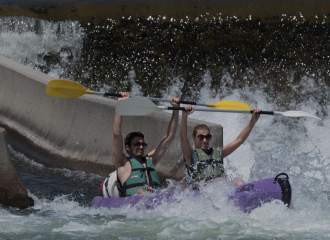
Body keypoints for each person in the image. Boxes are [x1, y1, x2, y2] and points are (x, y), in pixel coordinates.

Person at [104, 92, 180, 197]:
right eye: (136, 144)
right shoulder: (122, 163)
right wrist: (120, 104)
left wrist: (176, 109)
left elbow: (169, 136)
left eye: (143, 144)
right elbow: (117, 134)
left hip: (157, 202)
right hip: (134, 204)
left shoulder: (151, 160)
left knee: (179, 186)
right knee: (141, 190)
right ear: (127, 147)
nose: (141, 147)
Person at [180, 104, 261, 188]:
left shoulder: (218, 153)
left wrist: (253, 121)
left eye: (207, 137)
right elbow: (183, 138)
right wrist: (184, 116)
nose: (205, 140)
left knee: (238, 181)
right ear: (194, 138)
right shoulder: (190, 156)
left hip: (221, 190)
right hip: (203, 192)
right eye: (200, 137)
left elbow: (239, 140)